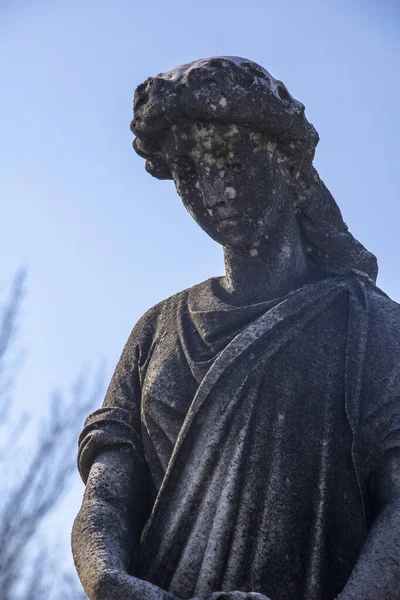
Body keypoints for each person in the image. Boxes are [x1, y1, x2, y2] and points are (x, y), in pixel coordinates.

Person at [72, 57, 400, 600]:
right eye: (190, 172)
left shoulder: (370, 327)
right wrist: (108, 580)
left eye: (232, 161)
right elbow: (106, 499)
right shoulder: (155, 331)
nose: (214, 189)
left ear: (287, 163)